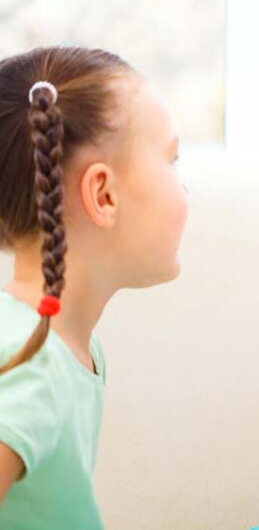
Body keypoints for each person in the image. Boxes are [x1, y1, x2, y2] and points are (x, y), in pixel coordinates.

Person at [0, 47, 188, 529]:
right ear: (103, 195)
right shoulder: (32, 367)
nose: (184, 187)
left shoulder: (63, 346)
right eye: (172, 160)